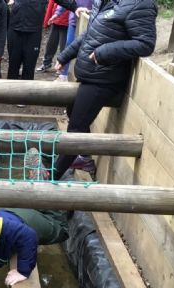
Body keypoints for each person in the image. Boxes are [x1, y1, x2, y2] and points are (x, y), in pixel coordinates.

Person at [53, 0, 157, 180]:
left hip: (105, 78)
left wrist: (105, 52)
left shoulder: (140, 3)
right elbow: (90, 34)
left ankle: (51, 175)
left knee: (76, 129)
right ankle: (84, 158)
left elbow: (145, 44)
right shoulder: (103, 1)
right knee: (72, 111)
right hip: (91, 73)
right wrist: (65, 56)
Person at [6, 0, 78, 83]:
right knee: (13, 67)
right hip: (15, 30)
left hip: (33, 32)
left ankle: (27, 90)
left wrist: (75, 7)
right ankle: (10, 90)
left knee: (29, 68)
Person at [52, 0, 92, 82]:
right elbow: (67, 1)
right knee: (69, 45)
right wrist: (57, 13)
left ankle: (81, 77)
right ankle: (64, 74)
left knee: (85, 49)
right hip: (74, 20)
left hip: (89, 21)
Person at [36, 0, 69, 73]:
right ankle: (46, 63)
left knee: (64, 46)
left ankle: (62, 66)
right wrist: (46, 21)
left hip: (66, 23)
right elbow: (51, 5)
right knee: (50, 44)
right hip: (55, 20)